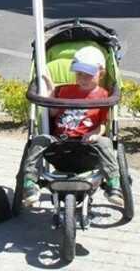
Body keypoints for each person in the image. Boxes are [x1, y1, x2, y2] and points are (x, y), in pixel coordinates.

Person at [20, 45, 123, 208]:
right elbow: (53, 114)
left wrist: (96, 134)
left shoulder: (104, 95)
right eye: (79, 73)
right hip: (59, 140)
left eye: (88, 74)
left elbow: (103, 124)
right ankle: (30, 183)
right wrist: (52, 93)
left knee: (106, 143)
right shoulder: (65, 90)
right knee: (38, 140)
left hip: (87, 143)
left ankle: (113, 184)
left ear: (101, 72)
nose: (82, 78)